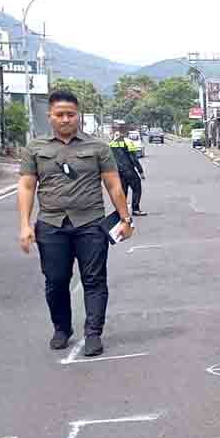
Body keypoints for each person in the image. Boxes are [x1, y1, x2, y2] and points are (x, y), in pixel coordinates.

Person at [17, 90, 134, 357]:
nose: (66, 119)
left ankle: (93, 332)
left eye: (71, 114)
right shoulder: (35, 148)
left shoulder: (97, 147)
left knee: (94, 280)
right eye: (60, 115)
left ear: (78, 115)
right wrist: (25, 225)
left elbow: (114, 185)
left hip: (91, 224)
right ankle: (62, 328)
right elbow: (26, 186)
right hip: (50, 225)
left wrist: (125, 218)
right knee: (56, 281)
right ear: (50, 116)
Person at [109, 131, 147, 217]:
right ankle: (136, 209)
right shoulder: (128, 142)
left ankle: (120, 211)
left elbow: (109, 159)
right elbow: (134, 159)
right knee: (137, 188)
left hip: (118, 171)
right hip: (128, 170)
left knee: (123, 191)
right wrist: (140, 171)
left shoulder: (111, 144)